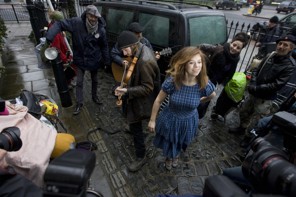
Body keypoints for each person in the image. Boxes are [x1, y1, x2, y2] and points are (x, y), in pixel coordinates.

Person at [148, 47, 216, 170]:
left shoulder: (203, 83)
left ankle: (176, 155)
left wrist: (199, 101)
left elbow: (212, 95)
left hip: (189, 119)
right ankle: (169, 157)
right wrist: (152, 120)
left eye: (199, 62)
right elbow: (158, 100)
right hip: (171, 117)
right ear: (183, 64)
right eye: (191, 62)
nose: (197, 66)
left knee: (180, 141)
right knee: (170, 141)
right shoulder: (172, 82)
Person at [46, 5, 111, 115]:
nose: (93, 19)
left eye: (95, 17)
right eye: (91, 16)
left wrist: (107, 61)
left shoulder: (101, 29)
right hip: (80, 58)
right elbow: (60, 24)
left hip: (94, 59)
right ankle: (79, 103)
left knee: (94, 80)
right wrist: (49, 36)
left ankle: (95, 97)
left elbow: (104, 46)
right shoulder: (76, 23)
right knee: (79, 82)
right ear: (86, 15)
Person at [229, 35, 296, 136]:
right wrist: (253, 82)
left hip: (265, 97)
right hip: (254, 92)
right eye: (280, 44)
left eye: (285, 45)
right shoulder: (270, 55)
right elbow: (256, 69)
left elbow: (278, 84)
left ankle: (248, 136)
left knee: (257, 118)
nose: (281, 47)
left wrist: (257, 88)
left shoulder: (290, 65)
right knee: (244, 111)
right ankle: (241, 128)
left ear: (291, 48)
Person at [114, 30, 160, 172]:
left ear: (133, 45)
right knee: (134, 122)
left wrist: (127, 91)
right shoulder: (139, 49)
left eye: (124, 49)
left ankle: (141, 156)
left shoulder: (145, 62)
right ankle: (135, 131)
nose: (123, 53)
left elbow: (147, 88)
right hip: (137, 95)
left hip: (143, 100)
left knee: (135, 124)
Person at [197, 32, 250, 119]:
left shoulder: (235, 58)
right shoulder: (219, 49)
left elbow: (230, 73)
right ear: (231, 42)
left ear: (241, 49)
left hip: (213, 83)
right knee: (196, 99)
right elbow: (201, 46)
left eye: (238, 48)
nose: (234, 48)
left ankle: (196, 119)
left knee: (204, 103)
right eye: (234, 45)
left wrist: (223, 81)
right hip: (203, 78)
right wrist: (201, 61)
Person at [46, 11, 77, 87]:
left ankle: (68, 82)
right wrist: (65, 59)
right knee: (68, 70)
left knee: (68, 70)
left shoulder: (55, 29)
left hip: (64, 53)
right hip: (62, 56)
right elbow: (56, 48)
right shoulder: (55, 34)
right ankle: (66, 84)